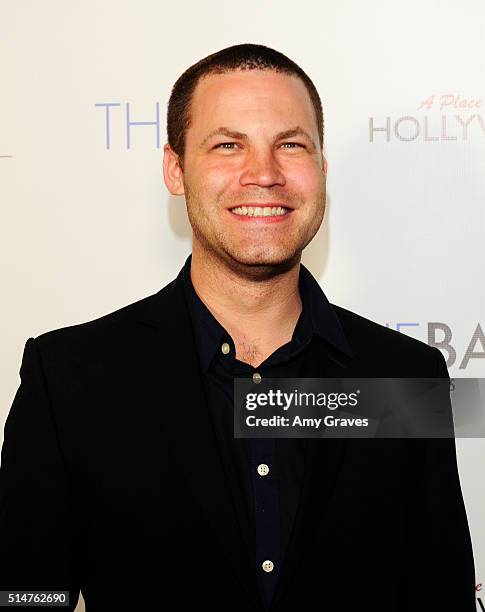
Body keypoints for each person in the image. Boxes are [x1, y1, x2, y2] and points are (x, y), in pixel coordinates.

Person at [0, 43, 476, 612]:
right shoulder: (71, 378)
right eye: (228, 145)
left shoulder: (405, 374)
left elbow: (440, 593)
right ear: (176, 170)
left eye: (290, 145)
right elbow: (27, 596)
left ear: (321, 173)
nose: (264, 174)